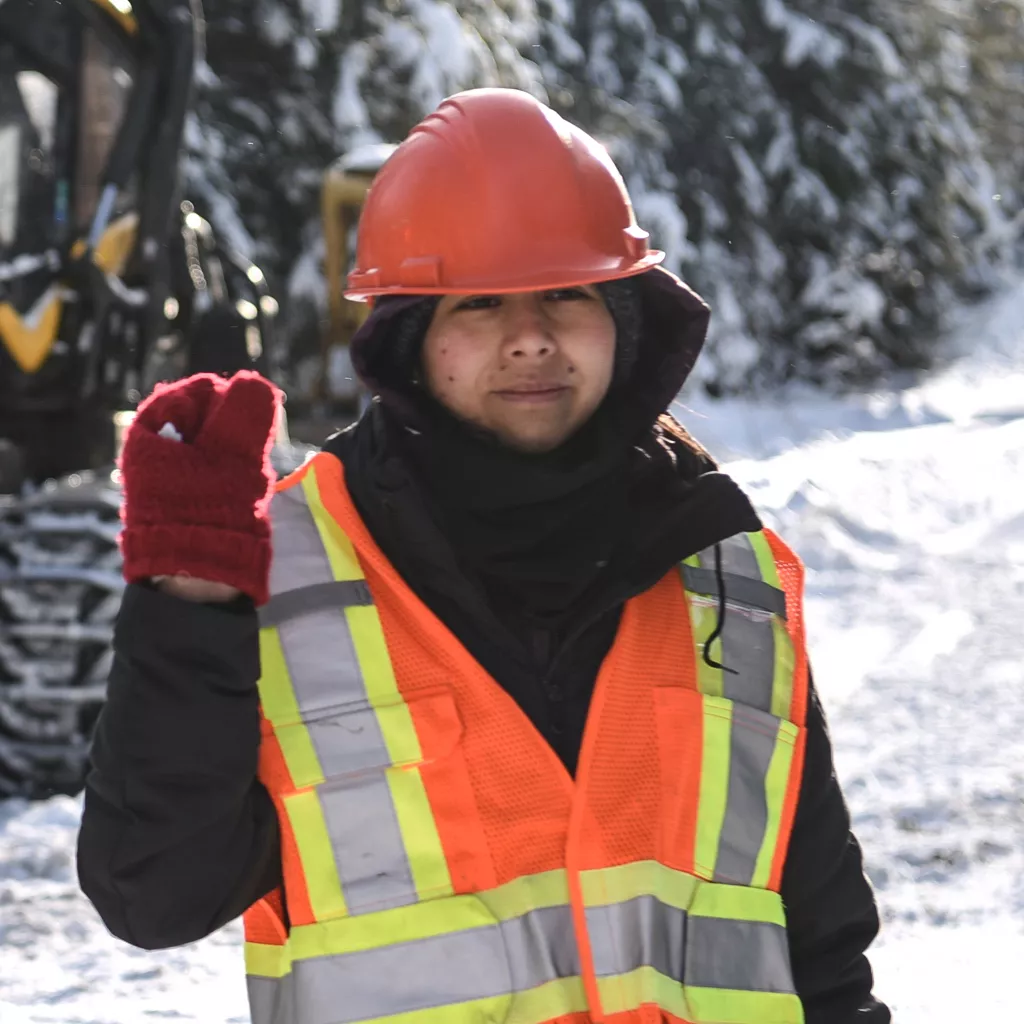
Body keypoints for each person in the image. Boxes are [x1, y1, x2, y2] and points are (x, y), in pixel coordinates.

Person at [77, 88, 890, 1024]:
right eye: (482, 303)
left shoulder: (725, 574)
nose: (532, 336)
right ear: (409, 338)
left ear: (626, 319)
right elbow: (154, 894)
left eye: (567, 291)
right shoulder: (285, 573)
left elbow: (821, 948)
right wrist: (186, 604)